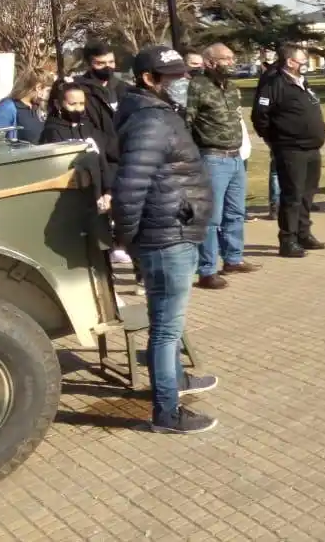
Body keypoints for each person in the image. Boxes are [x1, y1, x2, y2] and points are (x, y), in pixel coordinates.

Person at [112, 45, 218, 435]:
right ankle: (166, 411)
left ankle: (175, 381)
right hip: (165, 236)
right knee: (166, 328)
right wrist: (126, 238)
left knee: (167, 323)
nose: (183, 82)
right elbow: (130, 187)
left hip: (174, 230)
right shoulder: (150, 120)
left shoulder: (157, 114)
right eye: (174, 77)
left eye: (184, 75)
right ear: (149, 79)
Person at [185, 44, 257, 289]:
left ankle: (233, 259)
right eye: (225, 59)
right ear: (210, 62)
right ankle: (207, 270)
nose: (230, 62)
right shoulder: (197, 86)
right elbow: (187, 122)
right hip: (212, 158)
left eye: (232, 58)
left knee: (235, 212)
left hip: (236, 157)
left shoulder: (232, 87)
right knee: (211, 217)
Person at [251, 45, 325, 258]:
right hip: (290, 149)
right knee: (292, 195)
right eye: (302, 60)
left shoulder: (302, 82)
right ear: (290, 62)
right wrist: (275, 140)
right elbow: (260, 116)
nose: (305, 64)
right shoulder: (274, 83)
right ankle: (288, 240)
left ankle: (304, 233)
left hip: (311, 148)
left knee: (307, 194)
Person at [40, 80, 114, 211]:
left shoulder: (88, 127)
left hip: (100, 203)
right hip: (71, 205)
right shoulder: (52, 131)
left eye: (81, 104)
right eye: (72, 104)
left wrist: (108, 192)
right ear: (58, 104)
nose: (78, 109)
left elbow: (109, 155)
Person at [76, 40, 130, 171]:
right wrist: (116, 150)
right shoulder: (79, 91)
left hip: (128, 159)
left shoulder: (124, 88)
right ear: (89, 64)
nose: (108, 67)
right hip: (102, 163)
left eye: (111, 62)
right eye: (100, 63)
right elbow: (87, 130)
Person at [255, 50, 281, 220]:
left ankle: (299, 200)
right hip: (277, 130)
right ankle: (276, 205)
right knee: (277, 169)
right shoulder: (271, 77)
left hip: (293, 130)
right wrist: (266, 131)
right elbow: (261, 109)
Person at [0, 69, 50, 143]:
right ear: (38, 88)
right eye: (48, 91)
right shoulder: (7, 107)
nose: (49, 95)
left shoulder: (37, 107)